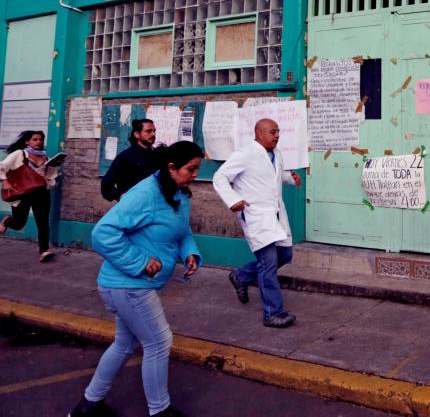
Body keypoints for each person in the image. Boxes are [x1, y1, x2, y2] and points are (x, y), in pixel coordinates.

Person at [69, 141, 203, 417]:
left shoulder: (178, 193)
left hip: (131, 286)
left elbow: (182, 230)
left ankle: (88, 406)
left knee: (124, 344)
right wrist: (140, 262)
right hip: (128, 286)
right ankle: (160, 410)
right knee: (158, 342)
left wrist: (189, 251)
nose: (195, 175)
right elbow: (102, 233)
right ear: (171, 167)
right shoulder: (145, 194)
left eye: (197, 169)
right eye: (191, 169)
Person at [213, 118, 302, 328]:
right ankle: (272, 313)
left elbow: (272, 176)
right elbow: (220, 177)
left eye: (278, 131)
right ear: (259, 133)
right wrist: (232, 200)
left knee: (285, 255)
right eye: (273, 132)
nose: (277, 135)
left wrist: (290, 178)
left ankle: (241, 276)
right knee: (268, 264)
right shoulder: (245, 154)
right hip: (256, 216)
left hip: (276, 215)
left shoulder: (276, 154)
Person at [0, 130, 60, 262]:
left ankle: (44, 251)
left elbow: (51, 177)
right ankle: (7, 221)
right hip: (23, 193)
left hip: (41, 193)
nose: (38, 142)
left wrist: (52, 169)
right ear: (27, 141)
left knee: (43, 223)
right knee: (19, 224)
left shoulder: (46, 158)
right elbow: (0, 167)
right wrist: (5, 181)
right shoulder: (19, 154)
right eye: (35, 139)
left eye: (40, 140)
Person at [101, 118, 158, 201]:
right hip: (133, 205)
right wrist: (119, 196)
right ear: (137, 134)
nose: (153, 134)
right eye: (148, 131)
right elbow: (106, 183)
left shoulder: (157, 155)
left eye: (154, 131)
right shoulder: (125, 156)